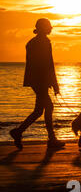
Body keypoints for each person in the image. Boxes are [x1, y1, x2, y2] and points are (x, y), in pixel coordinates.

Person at [10, 18, 65, 149]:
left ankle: (19, 132)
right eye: (49, 26)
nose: (51, 28)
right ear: (43, 28)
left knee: (39, 110)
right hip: (40, 81)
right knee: (48, 107)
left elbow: (42, 65)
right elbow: (48, 64)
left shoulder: (32, 43)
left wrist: (50, 81)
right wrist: (54, 83)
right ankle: (51, 139)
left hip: (36, 80)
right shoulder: (43, 43)